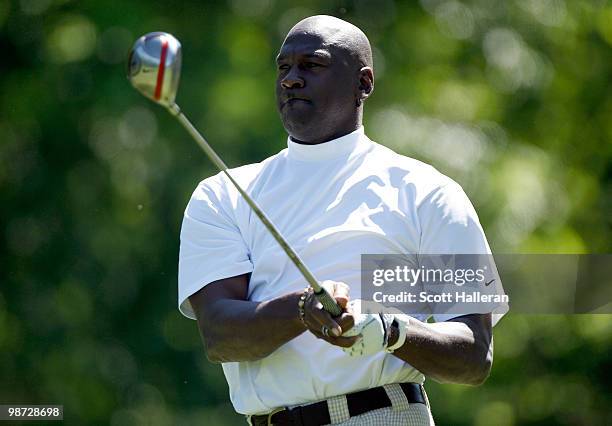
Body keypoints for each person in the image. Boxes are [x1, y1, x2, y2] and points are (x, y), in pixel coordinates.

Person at [178, 15, 507, 425]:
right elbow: (220, 334)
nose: (290, 80)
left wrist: (392, 330)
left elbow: (475, 354)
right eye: (283, 67)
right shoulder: (223, 194)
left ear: (363, 84)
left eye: (312, 65)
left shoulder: (428, 193)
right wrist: (302, 309)